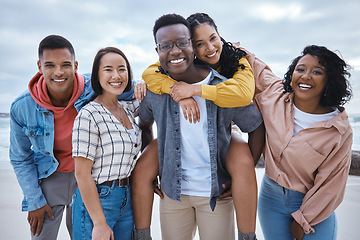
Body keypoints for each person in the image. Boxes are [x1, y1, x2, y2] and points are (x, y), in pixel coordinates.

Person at [132, 13, 264, 240]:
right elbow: (144, 123)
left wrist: (239, 176)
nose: (175, 51)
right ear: (158, 51)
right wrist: (154, 165)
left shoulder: (224, 85)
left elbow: (255, 125)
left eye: (183, 43)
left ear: (191, 47)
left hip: (215, 195)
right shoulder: (156, 87)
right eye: (166, 46)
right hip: (173, 193)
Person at [9, 35, 133, 240]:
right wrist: (34, 201)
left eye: (65, 65)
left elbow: (129, 87)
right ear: (39, 67)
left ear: (75, 65)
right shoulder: (22, 107)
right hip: (50, 176)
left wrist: (144, 87)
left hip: (87, 176)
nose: (59, 72)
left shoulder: (93, 87)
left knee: (85, 234)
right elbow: (20, 157)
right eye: (50, 65)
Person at [246, 45, 353, 239]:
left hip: (313, 207)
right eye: (300, 69)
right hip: (270, 200)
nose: (306, 76)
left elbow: (331, 184)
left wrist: (304, 218)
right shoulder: (275, 95)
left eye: (317, 72)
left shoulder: (338, 130)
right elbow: (252, 63)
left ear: (330, 80)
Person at [72, 47, 140, 240]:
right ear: (97, 75)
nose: (116, 75)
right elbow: (81, 173)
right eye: (108, 69)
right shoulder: (88, 114)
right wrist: (100, 223)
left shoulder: (127, 109)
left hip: (127, 199)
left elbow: (155, 97)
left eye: (122, 69)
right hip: (99, 199)